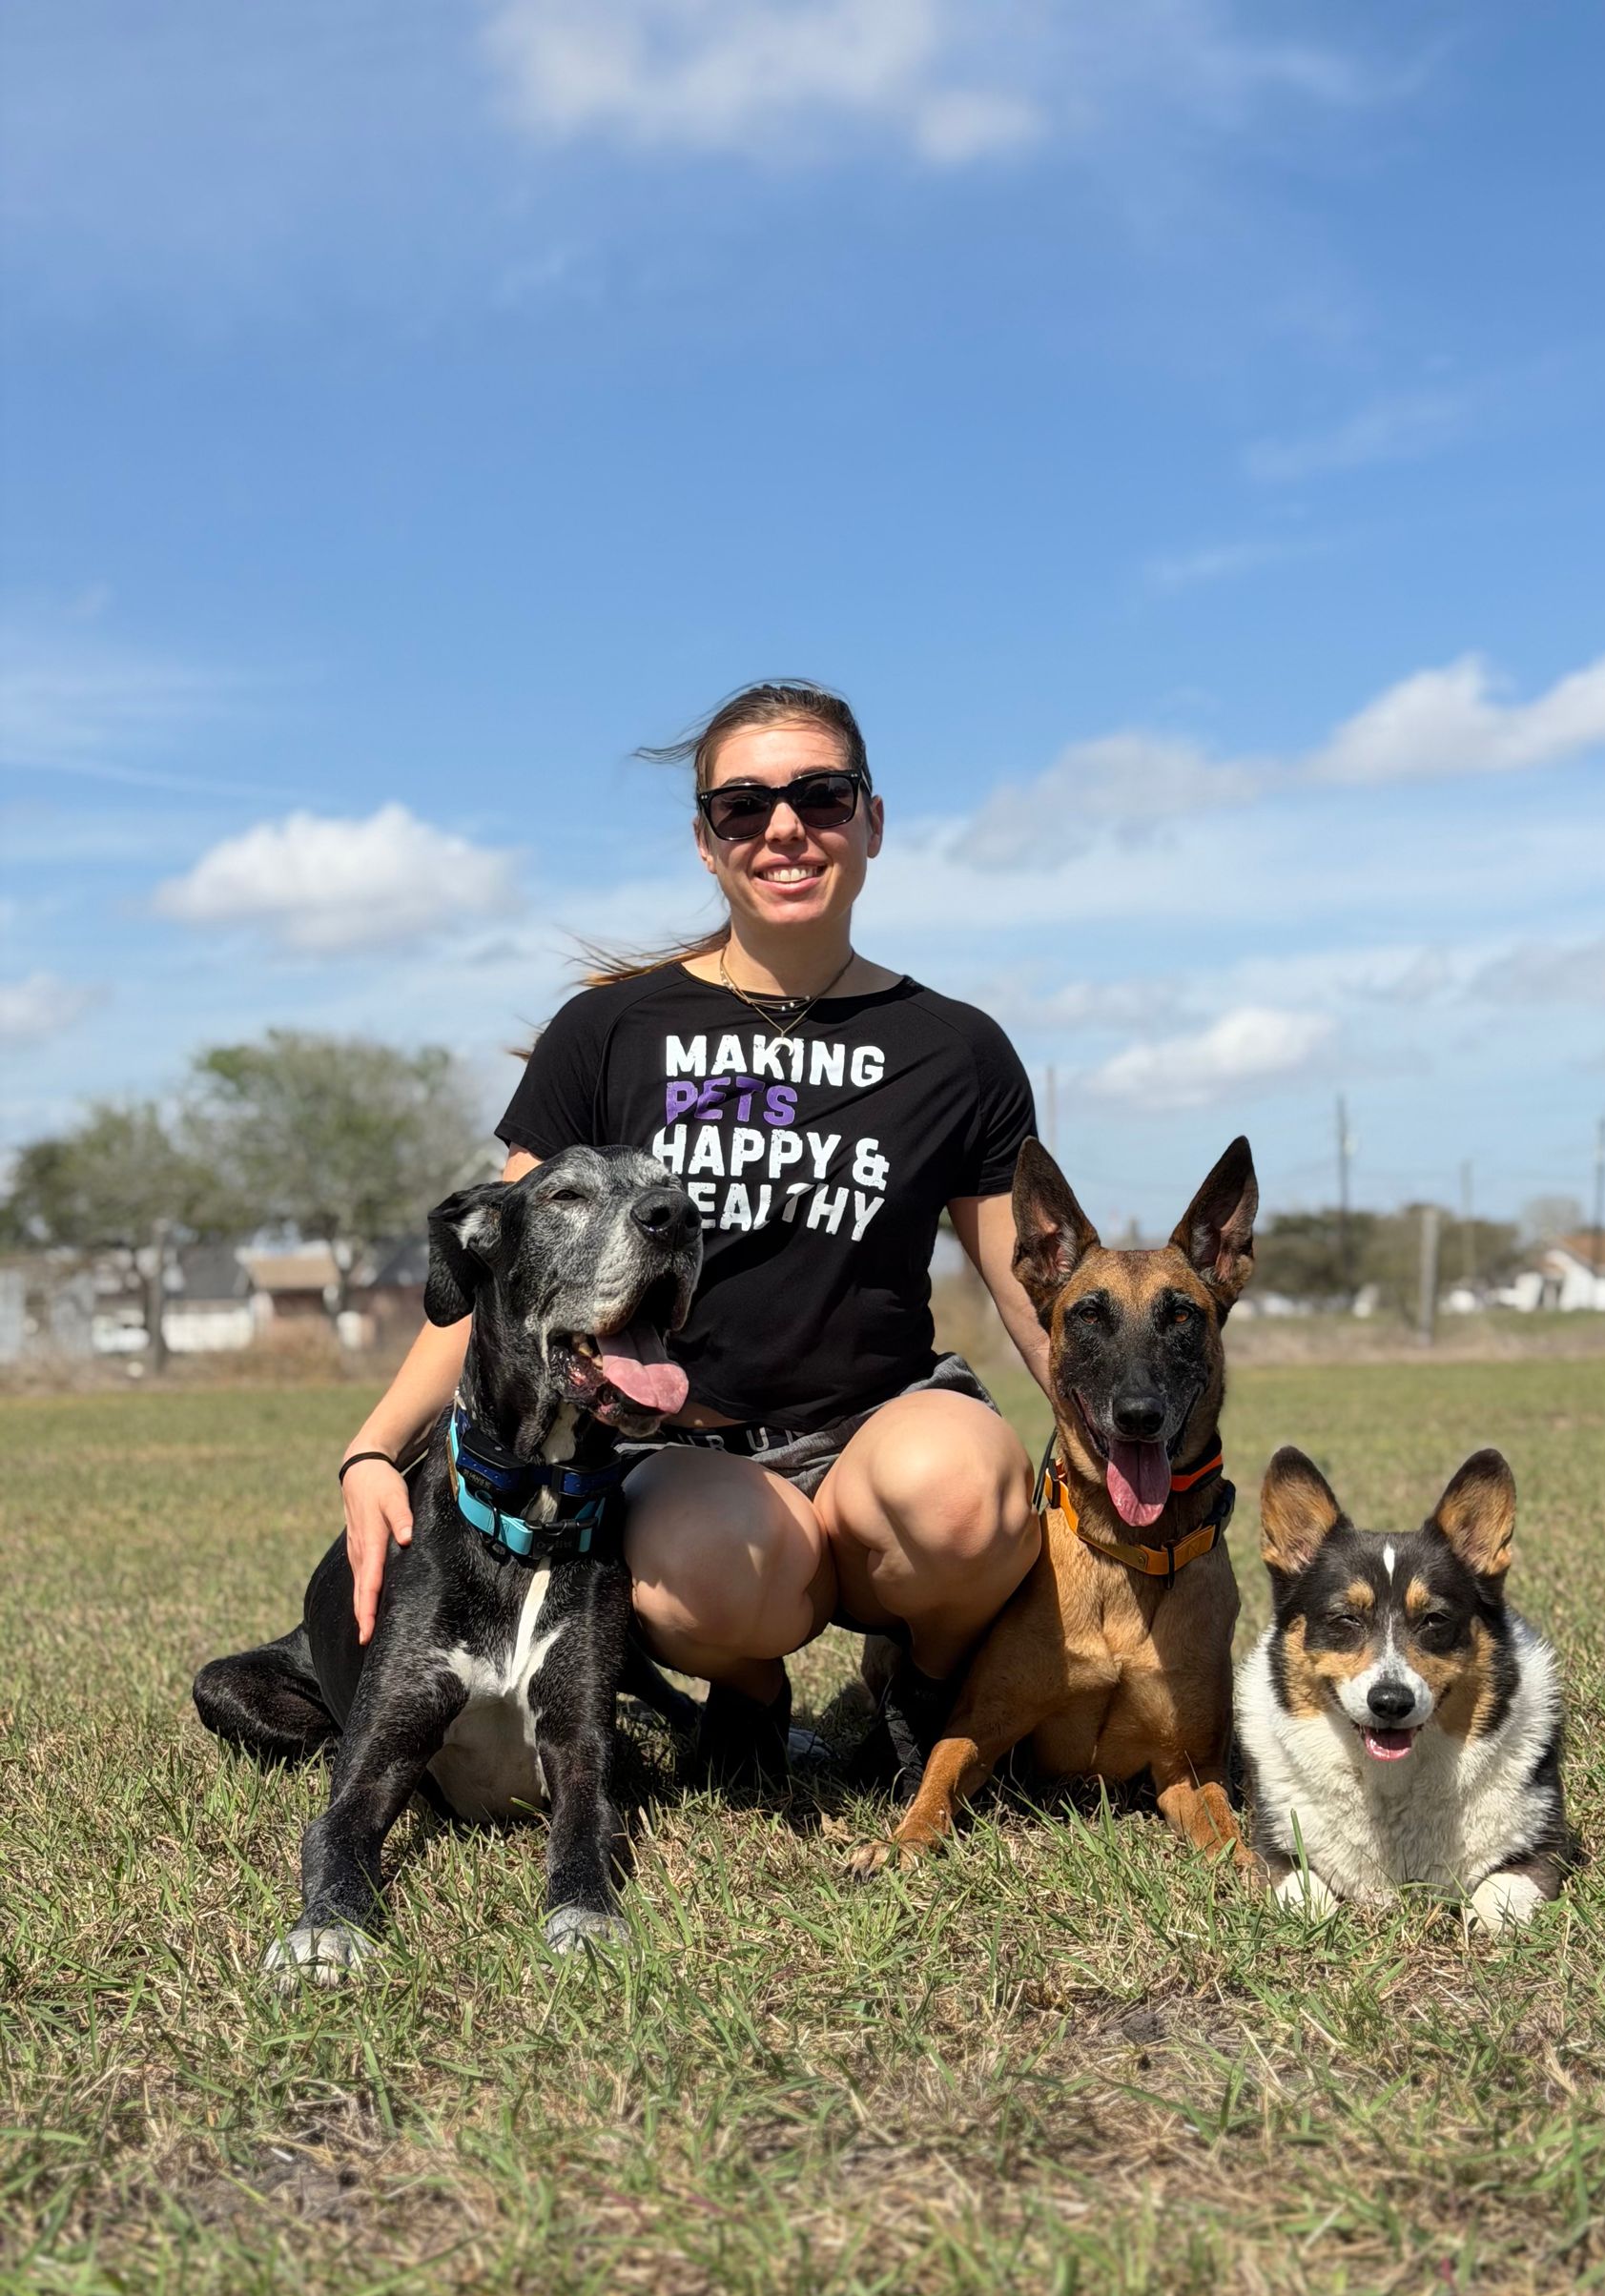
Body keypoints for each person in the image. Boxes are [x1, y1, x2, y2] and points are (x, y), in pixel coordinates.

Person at [220, 681, 1051, 1785]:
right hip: (689, 1452)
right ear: (706, 841)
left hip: (881, 1427)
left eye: (821, 795)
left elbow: (1033, 1288)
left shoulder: (956, 1047)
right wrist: (373, 1446)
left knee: (960, 1491)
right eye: (743, 806)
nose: (785, 827)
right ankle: (748, 1697)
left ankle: (925, 1694)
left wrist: (1134, 1452)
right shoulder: (611, 1029)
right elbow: (502, 1270)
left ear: (873, 820)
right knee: (689, 1564)